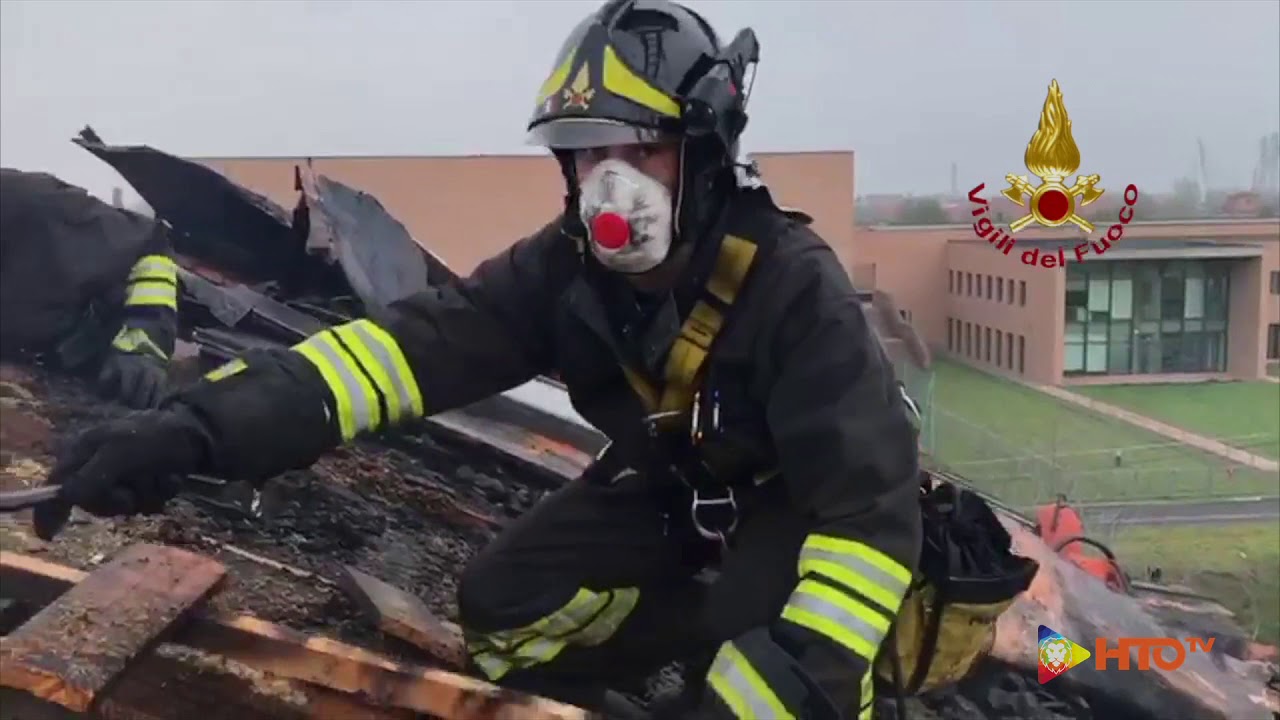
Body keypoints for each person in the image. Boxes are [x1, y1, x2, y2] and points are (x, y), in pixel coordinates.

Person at [34, 1, 926, 717]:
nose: (608, 184)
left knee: (759, 689)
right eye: (586, 154)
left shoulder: (793, 286)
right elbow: (395, 357)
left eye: (639, 149)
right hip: (675, 495)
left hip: (798, 516)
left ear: (703, 148)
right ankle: (676, 645)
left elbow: (868, 523)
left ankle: (735, 649)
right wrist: (193, 432)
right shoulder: (566, 266)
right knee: (504, 613)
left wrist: (803, 674)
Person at [0, 168, 179, 409]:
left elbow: (151, 247)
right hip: (27, 367)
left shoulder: (40, 207)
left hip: (94, 368)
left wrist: (142, 340)